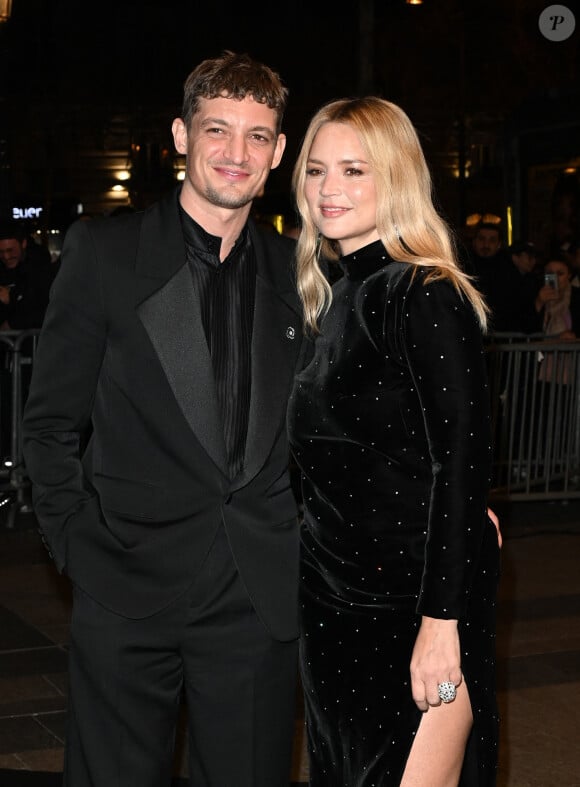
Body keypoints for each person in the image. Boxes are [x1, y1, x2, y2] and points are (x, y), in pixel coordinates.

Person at [21, 51, 309, 787]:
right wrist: (80, 552)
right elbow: (50, 427)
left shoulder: (302, 274)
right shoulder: (107, 254)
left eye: (256, 135)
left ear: (278, 152)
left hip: (255, 603)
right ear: (181, 136)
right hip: (127, 592)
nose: (235, 153)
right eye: (218, 129)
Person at [287, 97, 501, 786]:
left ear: (396, 178)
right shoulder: (336, 297)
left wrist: (442, 621)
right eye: (317, 170)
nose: (329, 189)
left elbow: (461, 459)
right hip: (333, 608)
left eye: (354, 169)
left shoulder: (423, 292)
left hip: (411, 611)